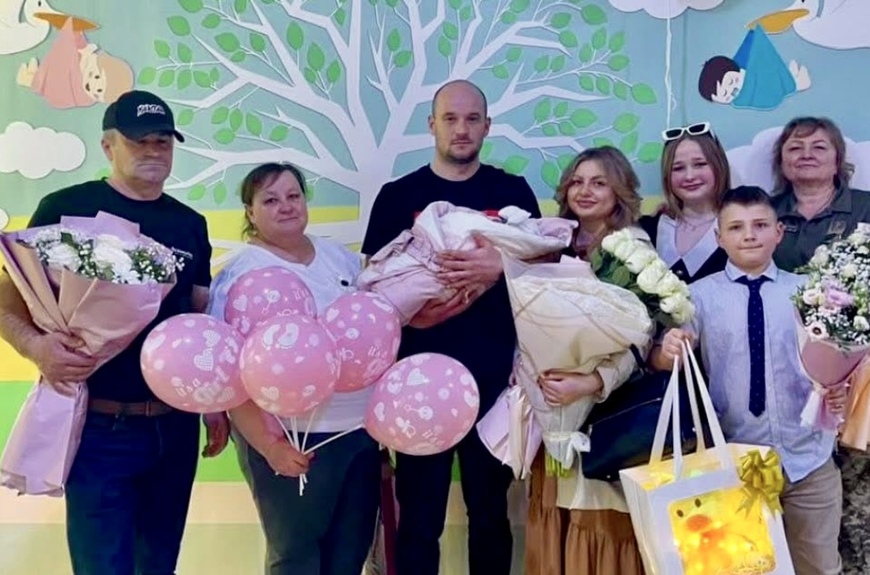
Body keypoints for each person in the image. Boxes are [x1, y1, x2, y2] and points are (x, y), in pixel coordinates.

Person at [0, 90, 228, 575]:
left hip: (175, 428)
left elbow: (198, 319)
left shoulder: (190, 224)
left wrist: (213, 402)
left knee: (158, 565)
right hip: (99, 427)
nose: (153, 150)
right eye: (140, 140)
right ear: (108, 146)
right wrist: (37, 347)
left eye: (163, 141)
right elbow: (5, 298)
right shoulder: (65, 208)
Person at [361, 79, 540, 575]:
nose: (461, 129)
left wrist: (500, 267)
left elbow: (544, 275)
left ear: (487, 125)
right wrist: (419, 314)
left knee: (490, 515)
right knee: (419, 519)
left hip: (495, 380)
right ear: (432, 125)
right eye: (450, 119)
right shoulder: (398, 196)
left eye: (472, 119)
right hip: (418, 383)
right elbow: (374, 292)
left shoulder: (512, 192)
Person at [658, 186, 846, 575]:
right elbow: (665, 357)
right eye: (736, 227)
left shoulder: (808, 293)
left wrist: (841, 390)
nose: (749, 235)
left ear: (778, 232)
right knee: (744, 567)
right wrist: (669, 348)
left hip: (808, 458)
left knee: (819, 566)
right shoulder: (697, 297)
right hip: (735, 460)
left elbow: (838, 362)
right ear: (719, 237)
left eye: (760, 225)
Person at [768, 116, 870, 575]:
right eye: (795, 147)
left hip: (864, 385)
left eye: (819, 147)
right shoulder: (766, 212)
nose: (806, 155)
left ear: (839, 160)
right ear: (781, 160)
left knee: (857, 516)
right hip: (788, 387)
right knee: (793, 520)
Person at [207, 163, 380, 575]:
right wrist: (270, 448)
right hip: (289, 439)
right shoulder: (240, 274)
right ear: (250, 212)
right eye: (270, 200)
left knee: (349, 555)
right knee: (295, 558)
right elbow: (230, 376)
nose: (285, 206)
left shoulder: (341, 259)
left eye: (293, 196)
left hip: (357, 435)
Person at [525, 146, 650, 575]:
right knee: (555, 515)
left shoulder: (633, 250)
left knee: (595, 522)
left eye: (599, 182)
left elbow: (643, 338)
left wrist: (593, 382)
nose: (585, 191)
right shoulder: (550, 244)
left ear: (620, 191)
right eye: (577, 182)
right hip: (553, 407)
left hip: (607, 412)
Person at [640, 122, 730, 283]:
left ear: (719, 166)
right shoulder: (646, 229)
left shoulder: (741, 229)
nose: (689, 176)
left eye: (700, 164)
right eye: (678, 168)